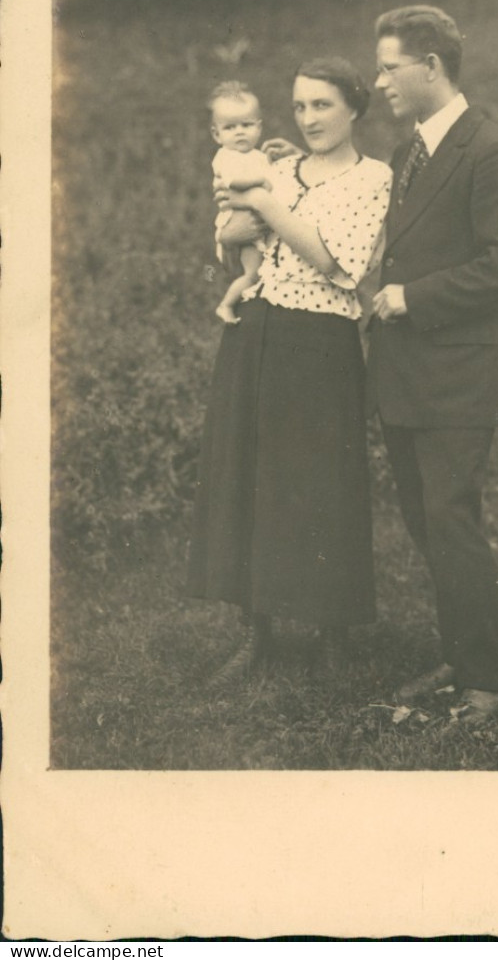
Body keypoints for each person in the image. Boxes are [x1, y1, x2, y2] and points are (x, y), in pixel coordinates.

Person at [188, 57, 391, 682]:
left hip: (321, 342)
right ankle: (259, 632)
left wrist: (262, 207)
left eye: (323, 105)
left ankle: (332, 633)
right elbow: (232, 242)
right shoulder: (275, 168)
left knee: (322, 480)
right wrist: (235, 224)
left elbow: (337, 260)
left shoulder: (373, 178)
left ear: (354, 108)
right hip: (256, 332)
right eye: (300, 106)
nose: (309, 119)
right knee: (249, 475)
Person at [367, 5, 498, 724]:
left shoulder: (493, 152)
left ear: (430, 65)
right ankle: (460, 655)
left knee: (450, 517)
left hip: (459, 378)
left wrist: (411, 297)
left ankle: (485, 684)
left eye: (388, 66)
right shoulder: (412, 150)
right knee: (426, 519)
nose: (378, 83)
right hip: (408, 375)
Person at [209, 81, 273, 324]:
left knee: (259, 272)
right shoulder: (226, 157)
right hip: (236, 222)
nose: (239, 132)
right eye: (230, 127)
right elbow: (235, 181)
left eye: (246, 125)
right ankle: (226, 305)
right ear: (217, 134)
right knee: (252, 273)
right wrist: (263, 181)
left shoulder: (258, 157)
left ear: (259, 127)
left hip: (255, 220)